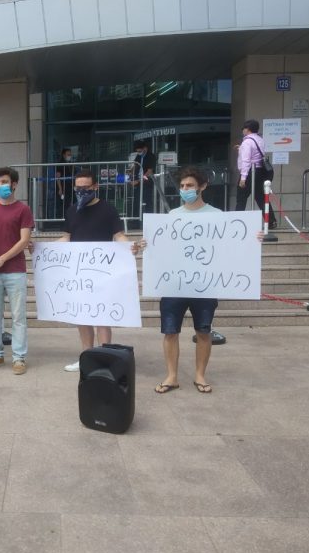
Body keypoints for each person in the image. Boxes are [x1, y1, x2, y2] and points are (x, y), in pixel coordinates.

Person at [56, 169, 144, 372]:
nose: (81, 191)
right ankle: (86, 357)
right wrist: (42, 249)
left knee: (102, 316)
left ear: (95, 187)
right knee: (82, 316)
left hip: (103, 272)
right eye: (78, 188)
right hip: (78, 272)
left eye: (86, 188)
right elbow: (66, 237)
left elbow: (118, 235)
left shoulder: (108, 210)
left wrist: (130, 246)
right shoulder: (72, 211)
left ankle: (104, 358)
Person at [155, 167, 220, 395]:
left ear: (202, 187)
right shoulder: (173, 215)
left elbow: (231, 244)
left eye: (190, 185)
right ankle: (171, 376)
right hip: (175, 283)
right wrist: (146, 245)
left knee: (203, 331)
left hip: (205, 283)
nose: (185, 190)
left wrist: (253, 238)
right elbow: (163, 247)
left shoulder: (217, 215)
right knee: (170, 331)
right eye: (182, 186)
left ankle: (200, 375)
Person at [0, 167, 34, 375]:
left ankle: (19, 358)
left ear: (14, 184)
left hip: (15, 271)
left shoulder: (23, 210)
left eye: (4, 182)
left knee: (18, 317)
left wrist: (2, 258)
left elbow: (24, 240)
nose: (1, 186)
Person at [235, 119, 277, 228]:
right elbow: (256, 155)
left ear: (247, 129)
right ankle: (271, 221)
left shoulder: (247, 142)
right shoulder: (260, 140)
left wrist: (243, 178)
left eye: (243, 128)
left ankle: (236, 222)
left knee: (241, 198)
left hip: (249, 172)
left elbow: (246, 161)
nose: (242, 130)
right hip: (259, 172)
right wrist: (241, 149)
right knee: (261, 198)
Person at [131, 140, 156, 219]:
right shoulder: (138, 156)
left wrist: (138, 181)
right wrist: (130, 174)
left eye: (140, 151)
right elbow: (135, 166)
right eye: (137, 151)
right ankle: (136, 220)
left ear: (145, 148)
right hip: (138, 182)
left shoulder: (151, 156)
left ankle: (149, 220)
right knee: (137, 202)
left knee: (147, 201)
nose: (139, 153)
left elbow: (149, 172)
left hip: (146, 182)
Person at [53, 147, 75, 219]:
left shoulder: (70, 164)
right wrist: (60, 189)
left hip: (69, 188)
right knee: (63, 205)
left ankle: (69, 219)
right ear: (63, 155)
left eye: (70, 155)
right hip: (63, 187)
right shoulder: (60, 164)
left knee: (69, 204)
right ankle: (62, 220)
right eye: (68, 154)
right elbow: (58, 176)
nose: (69, 156)